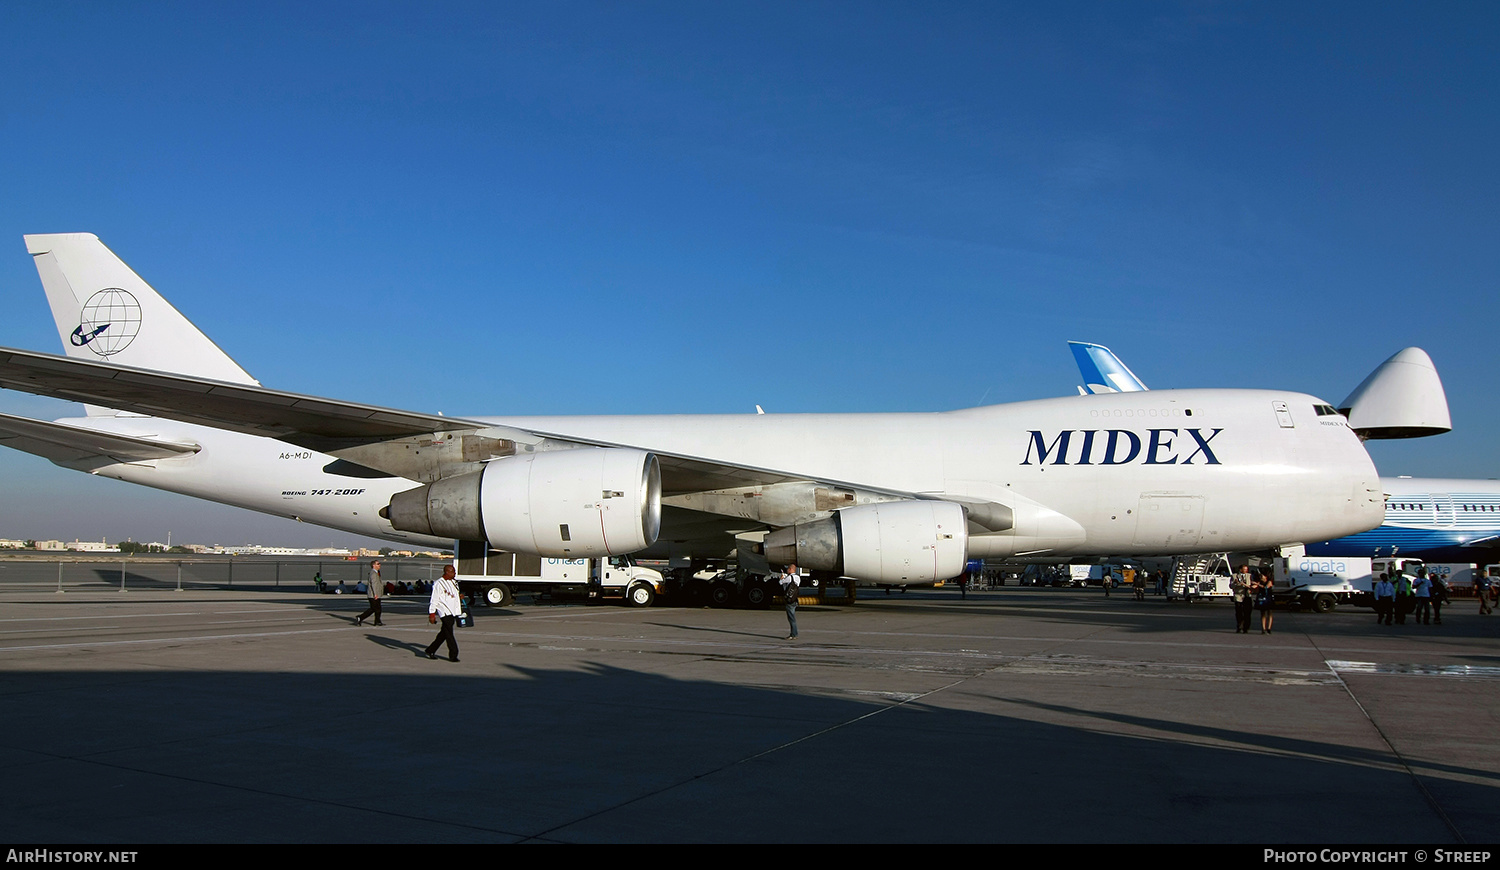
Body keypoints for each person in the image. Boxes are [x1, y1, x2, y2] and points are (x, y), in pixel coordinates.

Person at [425, 565, 462, 662]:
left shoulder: (454, 582)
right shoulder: (439, 584)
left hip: (453, 611)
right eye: (453, 572)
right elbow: (434, 599)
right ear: (447, 572)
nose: (455, 573)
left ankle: (430, 650)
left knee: (444, 633)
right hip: (445, 612)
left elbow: (452, 595)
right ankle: (453, 654)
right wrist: (432, 613)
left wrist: (459, 597)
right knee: (449, 633)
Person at [355, 560, 384, 627]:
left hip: (377, 594)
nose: (379, 565)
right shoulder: (373, 573)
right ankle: (360, 617)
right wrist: (375, 594)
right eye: (378, 564)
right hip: (373, 595)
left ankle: (377, 621)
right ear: (374, 565)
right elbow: (373, 584)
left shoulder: (377, 572)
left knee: (378, 608)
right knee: (373, 608)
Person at [779, 563, 801, 640]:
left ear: (791, 569)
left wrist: (782, 578)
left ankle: (794, 634)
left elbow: (781, 583)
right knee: (793, 617)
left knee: (791, 618)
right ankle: (794, 634)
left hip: (789, 600)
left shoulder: (789, 577)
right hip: (794, 599)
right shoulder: (798, 577)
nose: (787, 570)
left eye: (788, 569)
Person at [1231, 565, 1255, 634]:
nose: (1245, 571)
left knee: (1247, 612)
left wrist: (1251, 587)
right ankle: (1239, 626)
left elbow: (1252, 583)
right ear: (1240, 569)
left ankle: (1246, 627)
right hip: (1239, 596)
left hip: (1247, 596)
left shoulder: (1249, 575)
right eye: (1244, 569)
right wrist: (1236, 584)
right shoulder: (1234, 576)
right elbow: (1231, 586)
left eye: (1246, 569)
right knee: (1239, 612)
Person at [1256, 569, 1275, 634]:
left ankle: (1269, 628)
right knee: (1263, 613)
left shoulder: (1269, 581)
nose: (1261, 577)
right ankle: (1263, 628)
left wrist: (1258, 585)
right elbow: (1254, 588)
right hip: (1261, 598)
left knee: (1269, 613)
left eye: (1262, 575)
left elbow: (1266, 587)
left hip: (1268, 597)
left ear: (1266, 576)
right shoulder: (1259, 582)